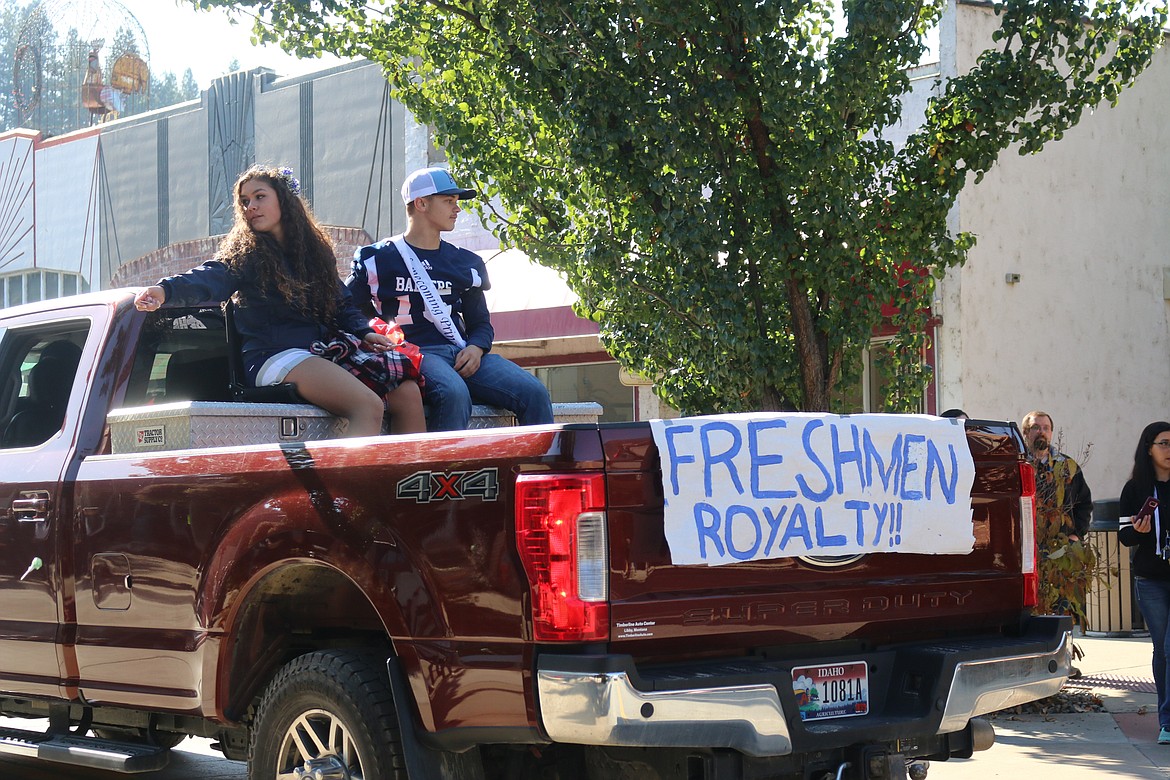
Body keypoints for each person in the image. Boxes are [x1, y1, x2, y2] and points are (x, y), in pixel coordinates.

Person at [134, 165, 425, 438]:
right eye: (245, 201)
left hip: (318, 352)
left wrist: (365, 332)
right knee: (367, 406)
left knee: (407, 394)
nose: (251, 207)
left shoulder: (315, 254)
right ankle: (351, 492)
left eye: (260, 197)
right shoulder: (247, 254)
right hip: (272, 356)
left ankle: (408, 489)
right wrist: (164, 290)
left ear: (284, 201)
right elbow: (211, 277)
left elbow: (342, 304)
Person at [347, 167, 554, 432]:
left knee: (534, 391)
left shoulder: (466, 262)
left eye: (456, 202)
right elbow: (347, 308)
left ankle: (538, 472)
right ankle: (443, 473)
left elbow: (480, 322)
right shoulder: (376, 257)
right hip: (414, 353)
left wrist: (477, 348)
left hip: (461, 351)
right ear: (421, 203)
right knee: (453, 392)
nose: (457, 209)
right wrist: (372, 336)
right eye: (448, 201)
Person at [1021, 409, 1094, 677]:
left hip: (1061, 550)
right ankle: (1031, 663)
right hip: (1027, 551)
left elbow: (1084, 504)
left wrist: (1077, 535)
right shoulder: (1018, 464)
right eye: (1035, 427)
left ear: (1052, 432)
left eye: (1046, 428)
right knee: (1031, 608)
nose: (1041, 432)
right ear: (1025, 433)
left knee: (1064, 605)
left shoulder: (1067, 467)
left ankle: (1063, 662)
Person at [1118, 421, 1170, 745]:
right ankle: (1166, 721)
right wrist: (1137, 530)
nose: (1169, 450)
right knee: (1162, 652)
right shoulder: (1135, 488)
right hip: (1150, 579)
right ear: (1148, 448)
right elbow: (1124, 536)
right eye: (1164, 443)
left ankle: (1168, 720)